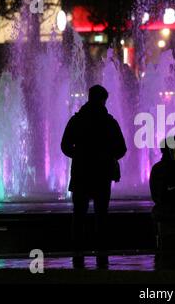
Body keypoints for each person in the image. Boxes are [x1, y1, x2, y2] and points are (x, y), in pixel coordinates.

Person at [61, 84, 127, 268]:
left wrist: (80, 155)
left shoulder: (77, 120)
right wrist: (108, 156)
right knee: (101, 215)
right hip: (101, 175)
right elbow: (122, 148)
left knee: (79, 215)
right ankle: (101, 252)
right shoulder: (109, 122)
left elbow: (65, 145)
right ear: (103, 100)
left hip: (81, 173)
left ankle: (77, 252)